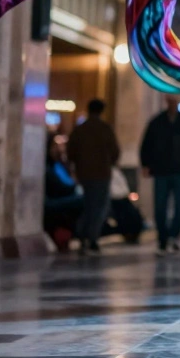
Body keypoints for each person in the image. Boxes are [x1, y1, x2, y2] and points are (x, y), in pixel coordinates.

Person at [141, 95, 180, 255]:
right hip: (161, 171)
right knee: (160, 207)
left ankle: (173, 236)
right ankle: (163, 238)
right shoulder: (157, 122)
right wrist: (146, 164)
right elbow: (147, 144)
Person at [65, 99, 121, 255]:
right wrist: (109, 162)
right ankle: (92, 238)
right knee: (99, 206)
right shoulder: (105, 129)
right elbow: (115, 151)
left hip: (84, 174)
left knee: (88, 204)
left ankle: (83, 235)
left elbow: (71, 152)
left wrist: (78, 166)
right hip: (102, 173)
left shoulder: (80, 130)